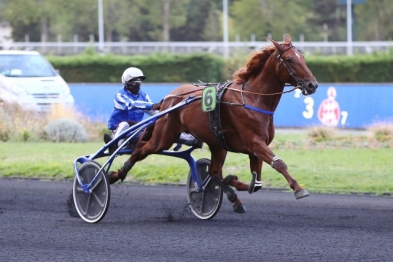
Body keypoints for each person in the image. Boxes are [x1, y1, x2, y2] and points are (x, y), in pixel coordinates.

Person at [104, 67, 202, 154]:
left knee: (162, 127)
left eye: (139, 82)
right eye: (134, 82)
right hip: (120, 132)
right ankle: (114, 144)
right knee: (125, 124)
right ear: (126, 83)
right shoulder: (120, 94)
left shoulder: (143, 95)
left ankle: (191, 140)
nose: (137, 85)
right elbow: (130, 105)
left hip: (136, 132)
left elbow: (153, 112)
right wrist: (153, 105)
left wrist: (166, 119)